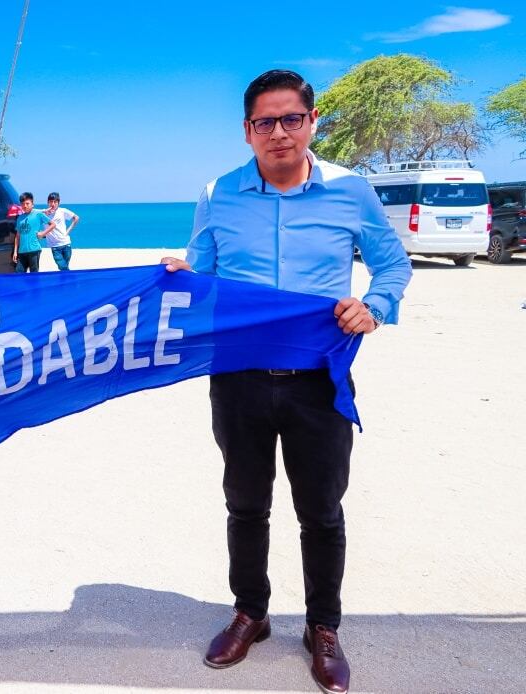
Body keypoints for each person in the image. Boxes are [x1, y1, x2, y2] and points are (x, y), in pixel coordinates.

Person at [162, 70, 412, 694]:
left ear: (312, 121)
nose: (279, 133)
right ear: (247, 131)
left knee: (321, 511)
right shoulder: (218, 193)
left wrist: (374, 306)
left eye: (290, 119)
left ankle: (323, 628)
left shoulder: (351, 192)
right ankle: (251, 613)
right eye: (265, 123)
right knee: (245, 505)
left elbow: (392, 263)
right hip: (239, 378)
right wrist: (182, 271)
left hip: (317, 381)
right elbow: (206, 271)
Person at [12, 192, 53, 273]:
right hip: (22, 252)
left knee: (34, 274)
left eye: (27, 203)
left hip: (34, 250)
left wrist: (43, 233)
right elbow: (17, 236)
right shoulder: (20, 218)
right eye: (23, 204)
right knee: (18, 273)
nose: (25, 206)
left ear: (32, 204)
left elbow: (53, 224)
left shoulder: (38, 214)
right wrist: (15, 252)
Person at [41, 192, 79, 270]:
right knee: (63, 267)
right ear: (48, 202)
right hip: (55, 247)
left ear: (58, 203)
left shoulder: (62, 211)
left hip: (66, 244)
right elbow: (32, 213)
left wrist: (68, 231)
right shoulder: (43, 214)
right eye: (51, 201)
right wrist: (43, 235)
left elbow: (76, 218)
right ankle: (70, 279)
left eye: (55, 202)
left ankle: (66, 280)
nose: (53, 204)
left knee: (64, 267)